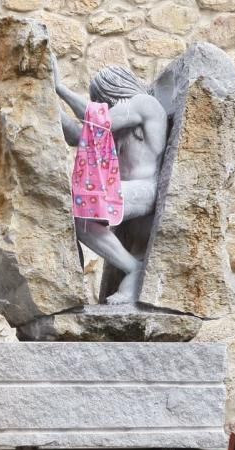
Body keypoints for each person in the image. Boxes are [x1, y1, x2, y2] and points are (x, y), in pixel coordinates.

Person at [54, 61, 169, 304]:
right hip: (123, 190)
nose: (100, 104)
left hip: (144, 189)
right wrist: (50, 108)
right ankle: (133, 267)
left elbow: (96, 118)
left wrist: (59, 88)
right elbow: (78, 136)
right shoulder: (118, 120)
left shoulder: (144, 104)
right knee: (81, 221)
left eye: (102, 98)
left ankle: (134, 270)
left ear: (113, 89)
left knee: (81, 215)